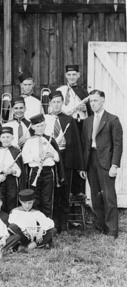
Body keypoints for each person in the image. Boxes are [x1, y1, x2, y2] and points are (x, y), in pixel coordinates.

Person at [80, 90, 123, 239]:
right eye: (91, 101)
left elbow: (118, 145)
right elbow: (85, 144)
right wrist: (83, 166)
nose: (93, 104)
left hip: (105, 162)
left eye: (96, 101)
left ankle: (112, 231)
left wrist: (114, 165)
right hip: (91, 161)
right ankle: (100, 228)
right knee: (95, 196)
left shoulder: (112, 120)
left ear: (103, 100)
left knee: (108, 197)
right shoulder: (88, 121)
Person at [44, 91, 84, 232]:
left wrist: (66, 142)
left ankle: (63, 225)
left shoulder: (69, 120)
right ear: (50, 103)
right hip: (50, 161)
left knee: (64, 192)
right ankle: (52, 225)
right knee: (51, 193)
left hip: (65, 161)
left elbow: (75, 143)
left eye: (59, 102)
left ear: (62, 103)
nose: (56, 105)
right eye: (54, 102)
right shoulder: (45, 119)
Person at [21, 113, 62, 218]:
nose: (40, 128)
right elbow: (24, 157)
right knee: (35, 198)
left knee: (47, 198)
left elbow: (57, 157)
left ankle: (47, 223)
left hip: (48, 172)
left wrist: (51, 155)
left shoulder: (49, 140)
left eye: (42, 125)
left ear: (45, 126)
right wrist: (34, 159)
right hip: (35, 171)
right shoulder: (29, 141)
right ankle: (36, 223)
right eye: (37, 126)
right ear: (33, 127)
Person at [0, 126, 22, 213]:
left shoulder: (16, 152)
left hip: (11, 180)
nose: (5, 139)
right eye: (3, 137)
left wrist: (12, 171)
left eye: (8, 137)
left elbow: (20, 171)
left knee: (12, 199)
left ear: (12, 138)